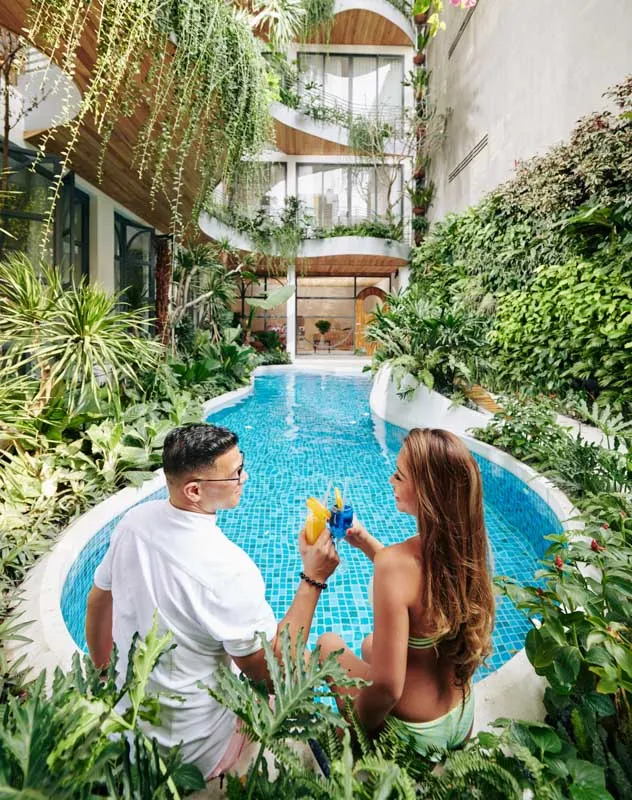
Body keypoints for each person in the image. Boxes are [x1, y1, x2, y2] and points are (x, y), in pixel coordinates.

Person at [85, 422, 339, 779]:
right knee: (302, 673)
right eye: (235, 474)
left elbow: (97, 602)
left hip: (131, 729)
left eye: (242, 465)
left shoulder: (134, 523)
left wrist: (104, 675)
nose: (244, 478)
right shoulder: (227, 569)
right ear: (194, 490)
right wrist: (313, 578)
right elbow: (273, 674)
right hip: (193, 753)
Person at [317, 427, 495, 754]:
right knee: (370, 645)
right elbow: (417, 584)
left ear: (427, 492)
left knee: (327, 644)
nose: (391, 481)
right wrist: (366, 542)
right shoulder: (465, 548)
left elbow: (387, 689)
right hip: (460, 717)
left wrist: (358, 735)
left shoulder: (393, 565)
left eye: (399, 476)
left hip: (417, 734)